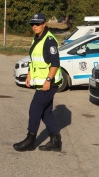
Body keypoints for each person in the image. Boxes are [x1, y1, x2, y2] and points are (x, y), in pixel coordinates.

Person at [13, 13, 63, 152]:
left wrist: (48, 80)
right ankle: (55, 141)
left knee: (35, 109)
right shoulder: (37, 38)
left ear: (44, 24)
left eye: (37, 24)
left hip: (49, 83)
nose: (34, 26)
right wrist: (29, 75)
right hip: (41, 82)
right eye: (32, 24)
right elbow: (34, 60)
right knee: (46, 112)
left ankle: (30, 140)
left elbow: (55, 63)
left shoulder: (49, 40)